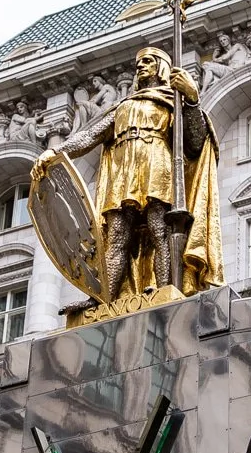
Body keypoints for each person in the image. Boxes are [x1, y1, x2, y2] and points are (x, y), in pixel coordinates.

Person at [35, 46, 223, 307]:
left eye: (147, 61)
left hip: (157, 165)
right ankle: (102, 299)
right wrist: (56, 152)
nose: (140, 66)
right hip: (123, 173)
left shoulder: (173, 101)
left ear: (161, 67)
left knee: (161, 230)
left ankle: (166, 290)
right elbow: (89, 136)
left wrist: (192, 100)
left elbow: (194, 141)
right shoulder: (122, 107)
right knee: (116, 238)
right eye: (139, 63)